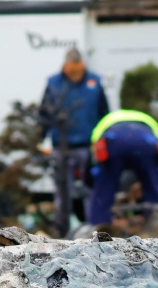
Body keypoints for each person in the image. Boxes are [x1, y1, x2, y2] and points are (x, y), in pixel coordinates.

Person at [39, 49, 109, 219]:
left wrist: (104, 139)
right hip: (60, 146)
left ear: (83, 65)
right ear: (65, 66)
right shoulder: (54, 83)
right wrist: (41, 140)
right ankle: (62, 228)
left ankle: (93, 226)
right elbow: (44, 114)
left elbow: (104, 112)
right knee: (62, 192)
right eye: (73, 71)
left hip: (88, 146)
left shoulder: (95, 82)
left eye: (79, 71)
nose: (76, 75)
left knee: (91, 189)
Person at [87, 109, 158, 225]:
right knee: (153, 186)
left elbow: (93, 162)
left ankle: (99, 227)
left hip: (113, 141)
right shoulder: (149, 121)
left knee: (104, 190)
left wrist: (92, 182)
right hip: (145, 142)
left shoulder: (105, 122)